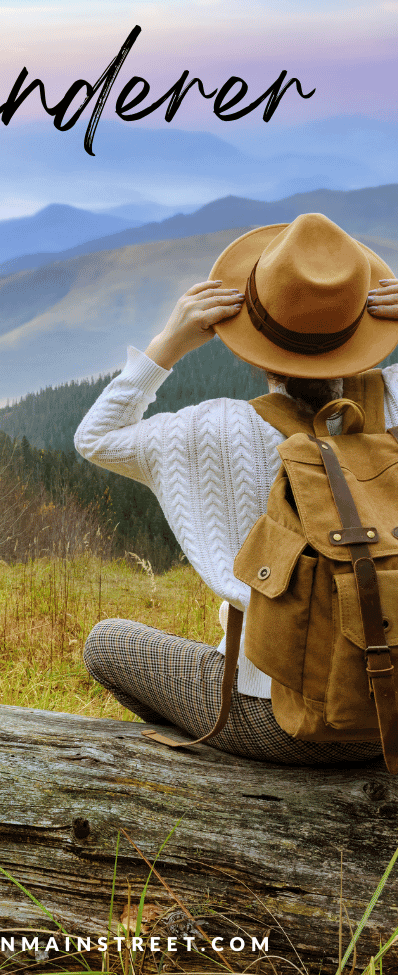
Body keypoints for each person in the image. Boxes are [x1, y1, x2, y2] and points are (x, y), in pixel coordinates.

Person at [74, 213, 398, 765]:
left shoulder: (207, 429)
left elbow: (97, 437)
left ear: (245, 338)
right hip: (395, 717)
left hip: (279, 724)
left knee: (108, 642)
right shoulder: (392, 402)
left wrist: (168, 345)